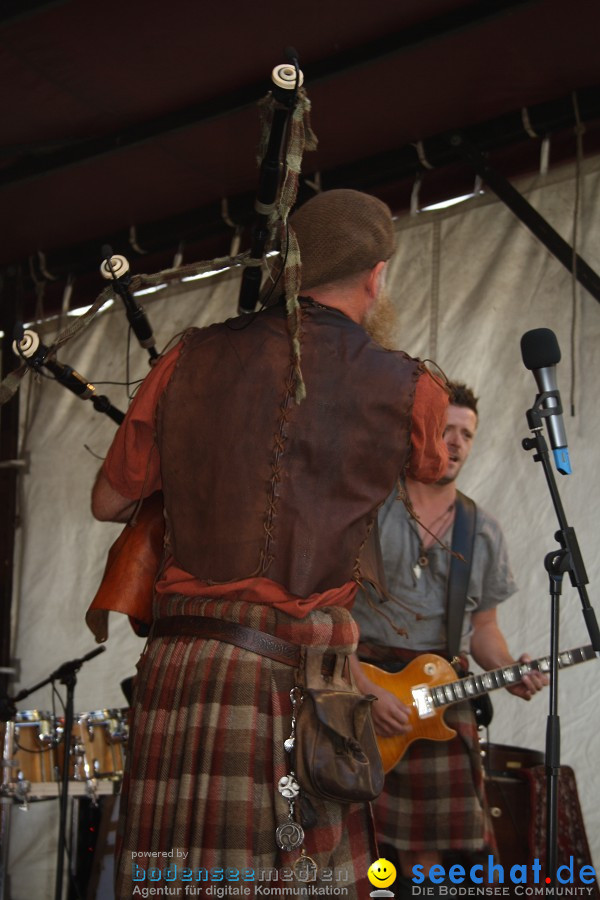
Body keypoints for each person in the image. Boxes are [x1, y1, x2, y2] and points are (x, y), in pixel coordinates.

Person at [90, 189, 450, 899]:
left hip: (183, 666)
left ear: (289, 269)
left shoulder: (188, 356)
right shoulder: (413, 386)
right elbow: (430, 471)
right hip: (299, 676)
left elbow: (109, 500)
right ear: (377, 276)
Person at [350, 381, 548, 898]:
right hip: (360, 683)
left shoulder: (480, 529)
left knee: (437, 854)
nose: (456, 442)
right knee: (353, 844)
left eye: (467, 434)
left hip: (440, 693)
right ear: (418, 433)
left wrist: (510, 669)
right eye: (446, 430)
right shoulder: (366, 508)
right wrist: (362, 688)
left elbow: (484, 631)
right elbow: (326, 611)